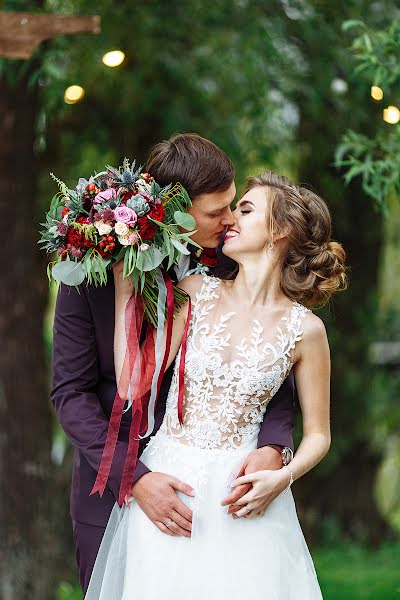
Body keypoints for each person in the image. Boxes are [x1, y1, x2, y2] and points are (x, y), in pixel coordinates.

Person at [51, 135, 298, 594]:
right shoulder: (90, 271)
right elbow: (70, 395)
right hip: (109, 488)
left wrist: (274, 447)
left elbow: (274, 362)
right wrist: (135, 479)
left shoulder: (233, 264)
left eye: (233, 207)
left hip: (214, 492)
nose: (229, 222)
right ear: (174, 211)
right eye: (215, 212)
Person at [85, 170, 347, 599]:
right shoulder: (195, 291)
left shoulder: (307, 331)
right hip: (171, 488)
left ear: (279, 231)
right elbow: (133, 383)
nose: (231, 220)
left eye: (245, 209)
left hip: (245, 501)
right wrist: (124, 285)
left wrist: (283, 476)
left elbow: (319, 435)